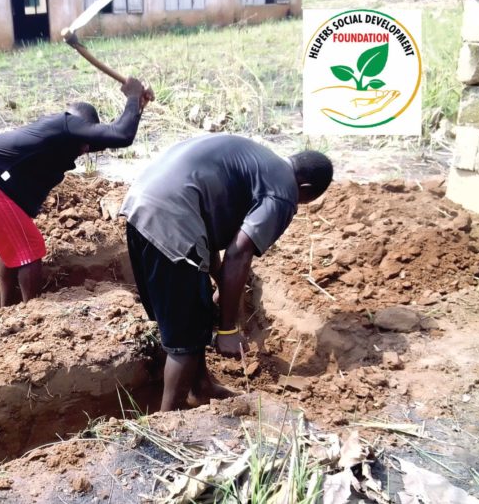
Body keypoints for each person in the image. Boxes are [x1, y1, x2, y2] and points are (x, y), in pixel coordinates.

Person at [120, 134, 333, 411]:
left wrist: (220, 282)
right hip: (171, 218)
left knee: (195, 311)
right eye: (304, 200)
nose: (298, 204)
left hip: (142, 203)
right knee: (185, 336)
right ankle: (166, 422)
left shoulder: (259, 161)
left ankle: (202, 387)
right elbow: (239, 253)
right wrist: (227, 328)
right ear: (304, 187)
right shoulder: (283, 191)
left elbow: (208, 223)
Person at [0, 78, 150, 307]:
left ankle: (7, 308)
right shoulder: (65, 123)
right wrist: (132, 95)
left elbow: (111, 137)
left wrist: (138, 106)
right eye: (84, 138)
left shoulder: (59, 138)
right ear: (77, 124)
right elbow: (121, 135)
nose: (86, 148)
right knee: (30, 247)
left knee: (14, 245)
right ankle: (33, 312)